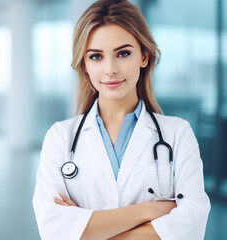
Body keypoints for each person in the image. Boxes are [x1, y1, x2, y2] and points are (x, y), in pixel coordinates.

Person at [32, 0, 211, 239]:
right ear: (84, 64)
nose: (110, 69)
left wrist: (88, 231)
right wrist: (151, 210)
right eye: (96, 57)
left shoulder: (177, 133)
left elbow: (191, 226)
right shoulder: (60, 137)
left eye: (123, 53)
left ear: (144, 57)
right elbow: (52, 229)